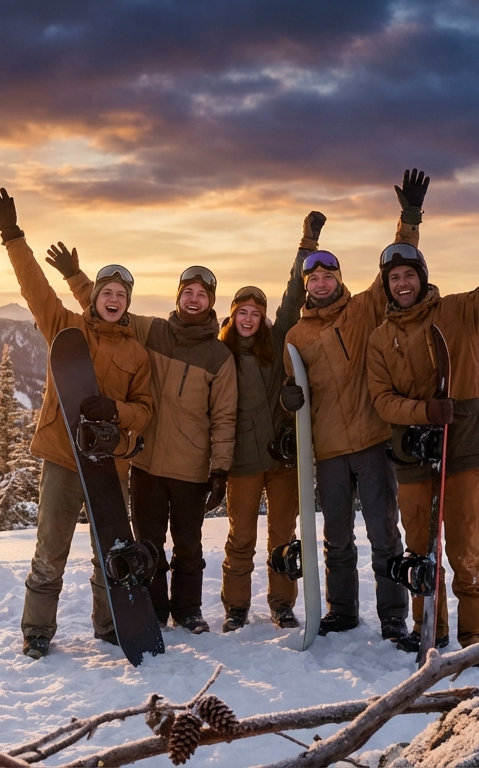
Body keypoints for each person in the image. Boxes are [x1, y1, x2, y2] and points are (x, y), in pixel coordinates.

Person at [0, 188, 155, 660]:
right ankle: (38, 630)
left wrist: (116, 415)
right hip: (63, 457)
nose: (114, 300)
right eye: (108, 293)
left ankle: (109, 623)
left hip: (110, 462)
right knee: (50, 551)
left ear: (127, 302)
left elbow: (145, 410)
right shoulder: (65, 328)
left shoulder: (136, 352)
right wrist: (12, 235)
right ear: (95, 298)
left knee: (109, 554)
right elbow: (35, 289)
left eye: (122, 295)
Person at [48, 246, 236, 633]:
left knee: (188, 547)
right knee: (148, 544)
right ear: (179, 297)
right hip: (147, 464)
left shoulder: (219, 356)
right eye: (188, 292)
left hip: (190, 467)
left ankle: (188, 610)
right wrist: (75, 277)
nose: (194, 299)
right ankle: (152, 607)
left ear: (210, 302)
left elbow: (224, 417)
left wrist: (220, 470)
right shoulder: (153, 331)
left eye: (202, 294)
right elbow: (106, 308)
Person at [366, 202, 479, 654]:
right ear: (387, 286)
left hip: (461, 444)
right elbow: (382, 399)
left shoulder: (458, 313)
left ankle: (476, 639)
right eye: (394, 278)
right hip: (412, 452)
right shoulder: (381, 337)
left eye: (408, 275)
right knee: (420, 548)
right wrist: (422, 413)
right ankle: (429, 628)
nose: (402, 283)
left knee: (464, 548)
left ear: (422, 276)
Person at [280, 169, 429, 639]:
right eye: (314, 277)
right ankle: (342, 610)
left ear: (339, 279)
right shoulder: (296, 335)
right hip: (327, 450)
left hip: (370, 440)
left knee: (385, 535)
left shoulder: (363, 309)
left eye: (329, 275)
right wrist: (290, 400)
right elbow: (295, 396)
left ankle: (392, 615)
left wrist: (409, 217)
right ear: (307, 285)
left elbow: (396, 268)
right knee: (336, 539)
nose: (321, 282)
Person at [216, 212, 323, 632]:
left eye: (254, 312)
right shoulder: (220, 354)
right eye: (241, 312)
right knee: (240, 538)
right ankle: (236, 607)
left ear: (262, 317)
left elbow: (294, 292)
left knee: (283, 535)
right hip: (242, 462)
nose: (248, 319)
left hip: (281, 458)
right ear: (233, 315)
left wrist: (307, 243)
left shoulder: (277, 340)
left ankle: (282, 603)